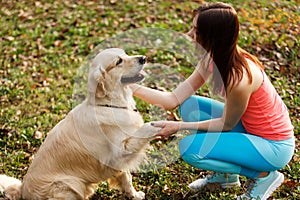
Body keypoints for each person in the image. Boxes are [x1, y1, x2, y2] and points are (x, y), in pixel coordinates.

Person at [130, 2, 295, 200]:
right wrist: (129, 86)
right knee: (190, 106)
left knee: (190, 149)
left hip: (273, 147)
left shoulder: (239, 78)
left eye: (196, 31)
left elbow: (226, 124)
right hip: (249, 130)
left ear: (213, 37)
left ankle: (263, 176)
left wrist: (178, 126)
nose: (189, 34)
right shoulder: (211, 59)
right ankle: (226, 177)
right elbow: (172, 99)